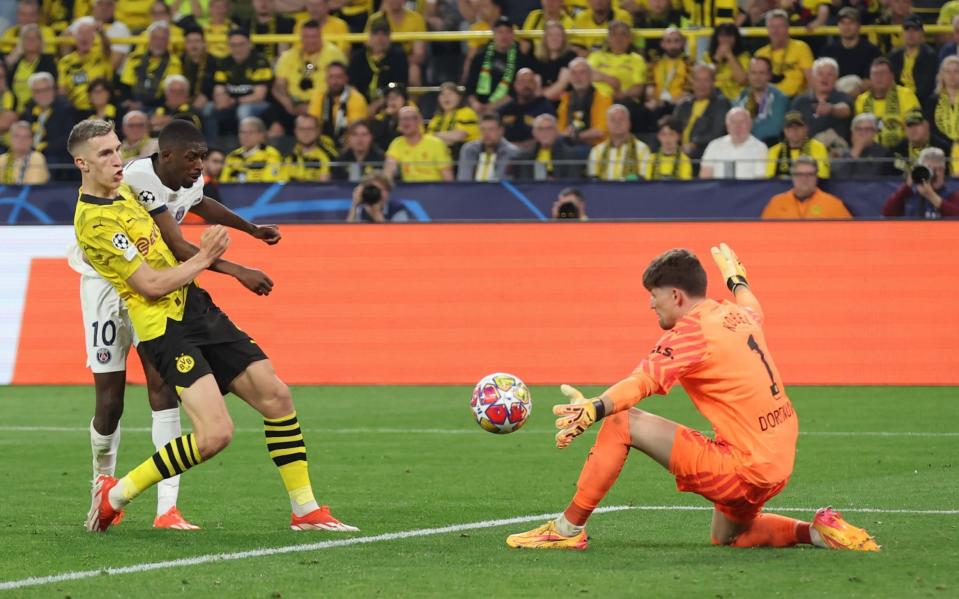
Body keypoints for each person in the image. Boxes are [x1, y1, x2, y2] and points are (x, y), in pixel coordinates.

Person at [70, 119, 357, 533]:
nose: (117, 159)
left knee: (276, 395)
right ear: (81, 164)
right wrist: (206, 258)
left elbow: (194, 204)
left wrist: (243, 233)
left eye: (117, 149)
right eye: (105, 154)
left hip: (195, 305)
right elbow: (149, 285)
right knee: (215, 434)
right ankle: (114, 495)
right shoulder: (95, 223)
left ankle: (306, 510)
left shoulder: (127, 190)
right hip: (162, 326)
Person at [505, 244, 878, 552]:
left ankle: (566, 530)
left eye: (654, 297)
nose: (652, 306)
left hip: (744, 468)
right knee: (730, 537)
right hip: (778, 460)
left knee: (621, 420)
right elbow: (753, 307)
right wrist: (737, 279)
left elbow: (642, 381)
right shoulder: (734, 314)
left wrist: (596, 407)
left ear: (676, 295)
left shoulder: (691, 332)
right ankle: (816, 531)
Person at [272, 19, 348, 137]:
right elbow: (279, 86)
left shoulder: (334, 54)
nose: (310, 41)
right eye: (307, 37)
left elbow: (338, 85)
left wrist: (313, 106)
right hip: (293, 104)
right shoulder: (289, 55)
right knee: (275, 127)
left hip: (324, 105)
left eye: (314, 37)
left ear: (321, 36)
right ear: (301, 37)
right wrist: (289, 105)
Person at [466, 16, 535, 116]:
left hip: (507, 109)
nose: (504, 36)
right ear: (493, 34)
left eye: (507, 32)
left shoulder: (521, 59)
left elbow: (516, 91)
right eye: (500, 32)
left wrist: (492, 107)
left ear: (513, 35)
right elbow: (469, 85)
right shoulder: (480, 55)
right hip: (477, 108)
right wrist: (475, 104)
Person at [210, 29, 273, 138]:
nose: (237, 49)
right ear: (228, 46)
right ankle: (210, 147)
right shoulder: (224, 62)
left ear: (249, 44)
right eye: (233, 45)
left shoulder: (260, 62)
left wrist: (235, 101)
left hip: (257, 104)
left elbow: (259, 96)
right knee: (209, 108)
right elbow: (218, 88)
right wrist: (221, 99)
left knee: (244, 110)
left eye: (241, 44)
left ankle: (245, 147)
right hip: (231, 101)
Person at [854, 57, 920, 149]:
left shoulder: (906, 95)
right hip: (870, 152)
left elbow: (914, 127)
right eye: (875, 74)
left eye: (882, 73)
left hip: (900, 150)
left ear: (892, 76)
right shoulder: (861, 100)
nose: (878, 77)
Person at [307, 61, 368, 159]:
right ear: (326, 79)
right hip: (323, 146)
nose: (335, 81)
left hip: (349, 148)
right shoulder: (319, 96)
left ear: (346, 78)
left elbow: (355, 130)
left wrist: (342, 158)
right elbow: (313, 125)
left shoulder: (356, 98)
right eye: (331, 77)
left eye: (339, 77)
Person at [119, 21, 184, 112]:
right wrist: (132, 103)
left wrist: (142, 105)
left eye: (162, 39)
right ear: (149, 39)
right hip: (133, 105)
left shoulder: (175, 62)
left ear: (168, 41)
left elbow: (169, 93)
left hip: (159, 107)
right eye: (155, 38)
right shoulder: (134, 59)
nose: (158, 42)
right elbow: (125, 86)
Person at [20, 71, 77, 173]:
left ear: (54, 90)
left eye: (46, 90)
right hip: (30, 156)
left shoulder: (66, 109)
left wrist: (45, 147)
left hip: (57, 158)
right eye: (38, 91)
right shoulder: (28, 111)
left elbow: (70, 139)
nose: (43, 94)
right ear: (32, 93)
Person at [672, 63, 730, 162]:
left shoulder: (721, 104)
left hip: (705, 154)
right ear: (692, 81)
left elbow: (717, 133)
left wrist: (694, 144)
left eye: (706, 80)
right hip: (681, 153)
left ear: (713, 82)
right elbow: (673, 128)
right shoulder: (683, 105)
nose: (701, 85)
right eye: (698, 80)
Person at [762, 156, 851, 219]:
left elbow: (850, 235)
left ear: (816, 177)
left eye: (809, 174)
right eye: (800, 174)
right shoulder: (776, 203)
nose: (804, 179)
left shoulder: (833, 204)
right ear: (792, 176)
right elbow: (762, 234)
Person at [882, 147, 959, 218]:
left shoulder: (951, 197)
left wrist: (931, 196)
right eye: (928, 169)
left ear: (943, 171)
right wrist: (907, 185)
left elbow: (956, 216)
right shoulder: (910, 196)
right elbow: (888, 213)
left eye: (936, 169)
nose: (932, 173)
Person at [789, 57, 853, 143]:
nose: (825, 78)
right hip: (806, 149)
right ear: (813, 77)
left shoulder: (842, 97)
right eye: (820, 74)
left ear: (836, 78)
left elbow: (845, 110)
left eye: (830, 74)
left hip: (834, 150)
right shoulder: (800, 102)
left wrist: (831, 109)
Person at [58, 17, 114, 113]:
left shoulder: (102, 56)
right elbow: (62, 91)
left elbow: (107, 47)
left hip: (101, 108)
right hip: (76, 110)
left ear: (94, 37)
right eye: (80, 33)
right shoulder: (66, 62)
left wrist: (101, 32)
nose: (84, 37)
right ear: (74, 37)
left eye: (88, 33)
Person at [384, 106, 454, 182]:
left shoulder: (436, 143)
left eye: (409, 118)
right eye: (402, 119)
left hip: (434, 189)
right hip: (409, 190)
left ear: (419, 120)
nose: (405, 122)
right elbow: (388, 171)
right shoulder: (397, 143)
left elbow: (448, 178)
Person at [347, 17, 407, 105]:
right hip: (361, 104)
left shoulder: (398, 57)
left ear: (389, 37)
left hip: (389, 103)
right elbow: (352, 85)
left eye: (384, 34)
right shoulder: (358, 57)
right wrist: (360, 104)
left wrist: (378, 104)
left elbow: (399, 86)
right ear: (370, 36)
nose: (380, 38)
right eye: (376, 34)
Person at [365, 0, 426, 86]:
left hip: (407, 61)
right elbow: (369, 47)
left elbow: (419, 54)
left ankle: (412, 99)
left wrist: (400, 61)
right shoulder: (375, 19)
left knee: (414, 70)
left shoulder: (417, 19)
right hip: (381, 60)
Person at [754, 9, 813, 98]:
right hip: (768, 100)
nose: (775, 31)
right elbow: (755, 83)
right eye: (772, 27)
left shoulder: (801, 47)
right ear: (767, 30)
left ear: (787, 28)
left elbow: (811, 79)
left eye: (780, 26)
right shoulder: (760, 54)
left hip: (795, 100)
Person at [557, 58, 613, 148]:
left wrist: (576, 136)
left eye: (582, 72)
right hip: (569, 146)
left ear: (591, 76)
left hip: (595, 148)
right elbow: (560, 131)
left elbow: (600, 131)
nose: (578, 77)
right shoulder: (566, 99)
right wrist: (566, 134)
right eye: (573, 73)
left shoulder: (603, 98)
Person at [699, 107, 768, 180]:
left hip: (747, 190)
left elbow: (760, 180)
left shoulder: (760, 147)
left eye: (742, 122)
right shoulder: (714, 145)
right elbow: (705, 177)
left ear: (750, 124)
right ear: (727, 126)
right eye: (733, 122)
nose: (738, 126)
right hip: (719, 190)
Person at [735, 57, 789, 147]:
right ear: (748, 75)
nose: (757, 77)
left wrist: (745, 130)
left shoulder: (779, 98)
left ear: (769, 75)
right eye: (753, 73)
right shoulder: (742, 96)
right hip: (743, 146)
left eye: (762, 73)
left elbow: (774, 129)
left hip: (769, 146)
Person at [587, 104, 650, 181]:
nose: (617, 123)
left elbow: (642, 177)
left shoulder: (642, 149)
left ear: (629, 123)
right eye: (613, 120)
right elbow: (593, 179)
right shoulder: (597, 151)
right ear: (607, 124)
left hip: (632, 191)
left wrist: (625, 180)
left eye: (621, 119)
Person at [498, 68, 556, 149]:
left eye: (530, 81)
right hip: (507, 153)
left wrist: (520, 147)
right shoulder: (505, 109)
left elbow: (549, 136)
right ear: (515, 85)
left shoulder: (545, 108)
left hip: (534, 153)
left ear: (536, 85)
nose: (526, 85)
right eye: (522, 81)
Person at [6, 23, 58, 112]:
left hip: (40, 108)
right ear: (21, 41)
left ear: (40, 41)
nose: (31, 41)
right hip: (15, 109)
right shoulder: (16, 63)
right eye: (27, 38)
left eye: (34, 38)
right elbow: (7, 87)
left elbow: (51, 88)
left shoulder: (48, 61)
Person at [819, 7, 881, 81]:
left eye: (851, 22)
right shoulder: (829, 51)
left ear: (858, 25)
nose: (846, 27)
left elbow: (873, 80)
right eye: (842, 22)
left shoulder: (871, 51)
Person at [514, 113, 582, 180]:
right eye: (540, 129)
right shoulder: (524, 156)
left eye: (549, 128)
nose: (545, 132)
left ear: (557, 131)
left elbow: (572, 183)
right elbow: (522, 184)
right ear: (534, 133)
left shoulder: (570, 155)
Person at [766, 111, 830, 179]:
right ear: (784, 130)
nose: (794, 129)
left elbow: (822, 177)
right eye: (790, 126)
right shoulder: (773, 151)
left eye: (798, 126)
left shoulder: (818, 147)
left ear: (806, 128)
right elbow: (770, 180)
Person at [457, 113, 520, 181]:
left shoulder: (511, 151)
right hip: (472, 190)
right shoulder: (469, 149)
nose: (486, 133)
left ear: (501, 130)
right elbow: (464, 180)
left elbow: (502, 180)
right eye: (483, 129)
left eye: (491, 129)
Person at [832, 112, 896, 179]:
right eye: (858, 129)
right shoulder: (844, 153)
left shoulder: (885, 153)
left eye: (867, 129)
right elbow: (839, 178)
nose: (862, 133)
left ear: (874, 132)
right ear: (852, 132)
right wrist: (856, 151)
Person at [889, 15, 937, 102]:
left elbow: (927, 89)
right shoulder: (893, 56)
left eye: (915, 30)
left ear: (922, 33)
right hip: (896, 100)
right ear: (902, 33)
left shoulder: (930, 56)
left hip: (920, 101)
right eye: (907, 30)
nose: (911, 34)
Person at [220, 117, 283, 183]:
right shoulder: (233, 156)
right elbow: (223, 183)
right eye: (242, 132)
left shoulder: (270, 154)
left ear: (261, 134)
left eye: (251, 132)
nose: (245, 136)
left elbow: (269, 183)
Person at [892, 110, 951, 176]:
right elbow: (885, 180)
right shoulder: (896, 152)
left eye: (917, 124)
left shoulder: (944, 149)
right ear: (904, 129)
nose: (913, 129)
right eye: (909, 125)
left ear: (927, 126)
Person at [427, 82, 481, 152]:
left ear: (459, 97)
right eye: (443, 94)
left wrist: (436, 135)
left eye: (450, 94)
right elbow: (428, 139)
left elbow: (458, 136)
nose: (446, 97)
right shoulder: (437, 118)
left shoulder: (467, 112)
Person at [927, 56, 959, 172]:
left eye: (956, 71)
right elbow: (929, 128)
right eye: (948, 71)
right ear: (942, 75)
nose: (952, 76)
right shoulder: (933, 100)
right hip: (939, 148)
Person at [703, 22, 749, 102]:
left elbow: (742, 80)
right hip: (713, 98)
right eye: (722, 36)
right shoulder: (707, 57)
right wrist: (717, 58)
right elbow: (705, 79)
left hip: (736, 99)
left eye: (729, 36)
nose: (726, 40)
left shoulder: (744, 57)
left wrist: (729, 55)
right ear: (716, 38)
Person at [535, 20, 577, 100]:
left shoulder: (570, 56)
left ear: (563, 39)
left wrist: (539, 100)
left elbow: (561, 85)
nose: (554, 38)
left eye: (558, 35)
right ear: (545, 38)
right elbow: (536, 86)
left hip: (564, 102)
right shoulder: (538, 58)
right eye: (550, 35)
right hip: (544, 102)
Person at [282, 114, 331, 182]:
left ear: (318, 131)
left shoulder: (328, 156)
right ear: (295, 131)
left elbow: (324, 186)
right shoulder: (284, 154)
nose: (306, 133)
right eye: (302, 129)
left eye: (310, 129)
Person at [646, 116, 692, 180]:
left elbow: (685, 186)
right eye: (663, 134)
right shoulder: (651, 159)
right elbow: (647, 184)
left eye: (671, 134)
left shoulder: (684, 160)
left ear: (679, 136)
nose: (667, 139)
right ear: (658, 136)